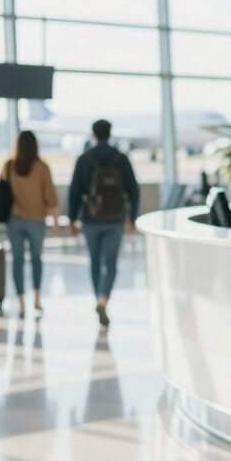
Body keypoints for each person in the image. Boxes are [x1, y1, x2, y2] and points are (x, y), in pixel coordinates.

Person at [68, 119, 140, 327]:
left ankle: (97, 297)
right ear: (110, 134)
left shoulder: (84, 159)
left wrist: (72, 219)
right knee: (111, 263)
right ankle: (103, 298)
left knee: (95, 261)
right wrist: (132, 218)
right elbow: (133, 190)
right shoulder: (121, 159)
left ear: (93, 135)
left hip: (90, 219)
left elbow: (75, 192)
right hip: (116, 218)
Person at [1, 131, 60, 318]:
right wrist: (56, 222)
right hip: (37, 220)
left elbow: (1, 192)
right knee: (36, 259)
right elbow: (50, 197)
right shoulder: (42, 168)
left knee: (17, 260)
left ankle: (20, 303)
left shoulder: (9, 166)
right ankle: (37, 299)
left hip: (14, 219)